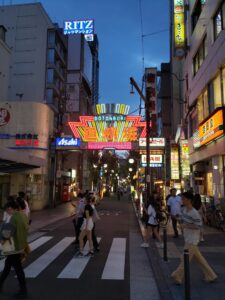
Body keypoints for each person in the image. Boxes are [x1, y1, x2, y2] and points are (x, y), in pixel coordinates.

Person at [171, 192, 217, 285]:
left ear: (189, 200)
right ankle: (211, 275)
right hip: (187, 238)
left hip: (193, 239)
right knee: (199, 259)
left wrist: (185, 226)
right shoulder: (184, 210)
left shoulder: (194, 213)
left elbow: (199, 226)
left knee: (184, 258)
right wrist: (177, 219)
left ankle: (177, 275)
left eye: (183, 199)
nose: (182, 200)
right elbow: (183, 220)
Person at [0, 200, 28, 297]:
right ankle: (1, 282)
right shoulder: (23, 216)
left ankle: (23, 288)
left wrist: (3, 239)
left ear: (12, 208)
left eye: (8, 209)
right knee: (8, 265)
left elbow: (8, 232)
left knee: (17, 267)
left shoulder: (13, 218)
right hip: (20, 244)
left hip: (13, 246)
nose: (7, 212)